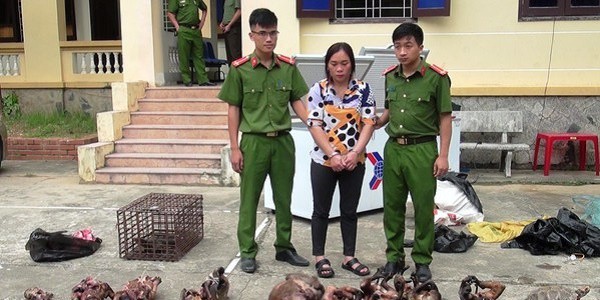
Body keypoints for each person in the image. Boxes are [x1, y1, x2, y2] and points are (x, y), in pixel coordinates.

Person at [217, 8, 310, 274]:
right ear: (252, 35)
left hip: (282, 142)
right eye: (263, 33)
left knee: (284, 198)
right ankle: (247, 251)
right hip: (254, 143)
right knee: (249, 199)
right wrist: (235, 148)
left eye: (272, 33)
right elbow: (233, 108)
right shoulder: (240, 70)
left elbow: (296, 100)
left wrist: (313, 124)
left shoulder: (288, 68)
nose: (269, 39)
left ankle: (284, 246)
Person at [375, 22, 452, 283]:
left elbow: (445, 118)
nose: (402, 52)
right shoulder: (390, 76)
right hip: (394, 149)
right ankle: (394, 257)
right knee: (392, 208)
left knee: (422, 208)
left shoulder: (436, 78)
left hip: (422, 149)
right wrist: (374, 121)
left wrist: (443, 155)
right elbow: (388, 111)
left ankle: (422, 261)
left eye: (408, 45)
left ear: (420, 46)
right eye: (397, 46)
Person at [305, 42, 376, 278]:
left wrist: (355, 153)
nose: (339, 69)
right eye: (334, 64)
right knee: (320, 210)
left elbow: (368, 123)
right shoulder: (318, 90)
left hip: (354, 161)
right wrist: (333, 154)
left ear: (352, 65)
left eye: (344, 63)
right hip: (323, 161)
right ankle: (320, 257)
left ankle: (349, 257)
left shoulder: (364, 89)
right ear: (327, 65)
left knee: (349, 210)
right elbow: (314, 125)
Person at [167, 0, 215, 86]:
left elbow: (204, 9)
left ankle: (203, 80)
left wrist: (202, 23)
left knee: (199, 56)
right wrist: (177, 27)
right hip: (184, 29)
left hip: (196, 30)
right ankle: (187, 80)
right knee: (184, 56)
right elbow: (170, 13)